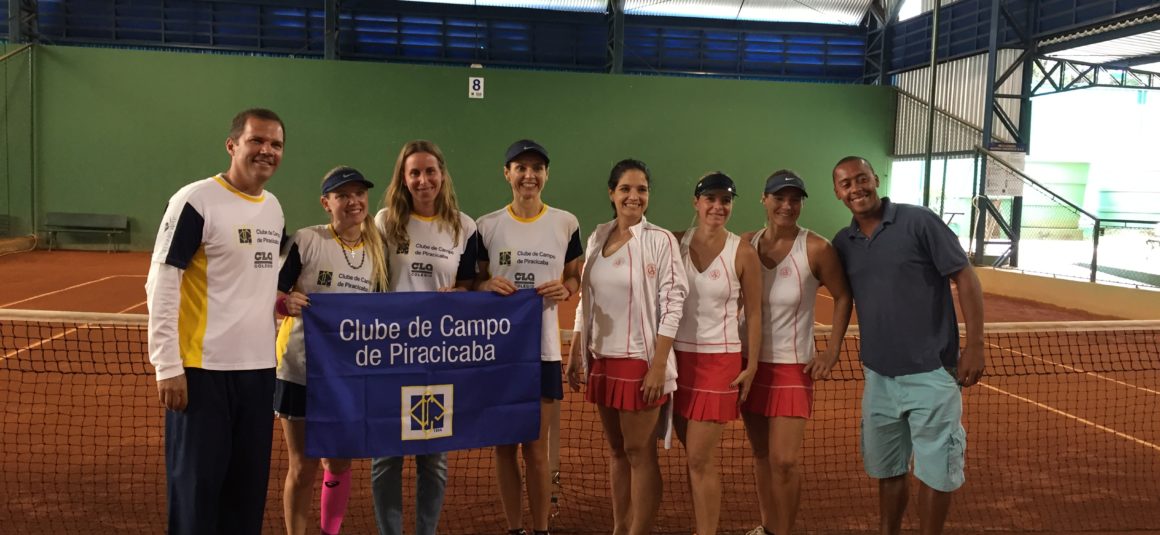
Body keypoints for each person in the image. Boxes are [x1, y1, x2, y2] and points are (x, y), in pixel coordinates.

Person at [144, 108, 286, 534]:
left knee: (245, 496)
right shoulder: (195, 200)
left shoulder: (274, 209)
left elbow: (258, 278)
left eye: (276, 144)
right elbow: (162, 282)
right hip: (202, 373)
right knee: (196, 495)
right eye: (256, 140)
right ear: (232, 145)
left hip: (259, 374)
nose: (266, 150)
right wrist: (167, 366)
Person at [830, 156, 984, 535]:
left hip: (932, 372)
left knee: (936, 471)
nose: (856, 188)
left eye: (862, 179)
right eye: (846, 184)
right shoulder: (843, 243)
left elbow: (965, 276)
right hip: (878, 376)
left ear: (875, 179)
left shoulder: (918, 221)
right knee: (889, 469)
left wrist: (975, 345)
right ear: (837, 193)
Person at [566, 158, 688, 535]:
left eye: (642, 190)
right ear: (612, 193)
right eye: (625, 189)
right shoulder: (597, 237)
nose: (634, 196)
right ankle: (621, 528)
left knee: (640, 454)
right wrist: (577, 350)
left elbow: (674, 302)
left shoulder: (661, 240)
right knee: (618, 452)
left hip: (641, 363)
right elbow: (586, 299)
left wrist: (658, 365)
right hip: (602, 361)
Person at [475, 140, 584, 535]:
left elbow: (574, 275)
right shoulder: (485, 226)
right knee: (504, 448)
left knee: (537, 451)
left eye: (537, 168)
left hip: (543, 352)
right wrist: (486, 285)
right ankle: (514, 529)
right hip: (499, 355)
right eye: (520, 167)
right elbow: (475, 281)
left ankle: (540, 530)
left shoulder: (566, 223)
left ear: (546, 174)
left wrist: (566, 288)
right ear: (507, 173)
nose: (529, 175)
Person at [372, 140, 479, 535]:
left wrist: (460, 294)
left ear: (442, 175)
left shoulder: (464, 227)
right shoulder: (385, 222)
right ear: (403, 179)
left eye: (430, 171)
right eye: (414, 172)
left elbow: (468, 285)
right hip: (390, 355)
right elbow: (371, 280)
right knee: (386, 457)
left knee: (433, 458)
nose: (423, 180)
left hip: (438, 357)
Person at [274, 166, 389, 535]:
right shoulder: (307, 240)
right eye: (342, 195)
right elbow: (272, 291)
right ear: (327, 203)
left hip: (348, 375)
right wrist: (284, 302)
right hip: (300, 370)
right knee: (303, 466)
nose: (353, 201)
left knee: (338, 463)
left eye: (359, 194)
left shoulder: (379, 251)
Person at [739, 170, 853, 535]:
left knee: (784, 461)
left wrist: (832, 350)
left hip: (792, 368)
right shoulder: (744, 244)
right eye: (779, 198)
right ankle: (768, 527)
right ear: (764, 199)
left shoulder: (817, 248)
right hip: (749, 366)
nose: (787, 206)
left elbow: (843, 296)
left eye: (795, 199)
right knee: (761, 455)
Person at [671, 172, 763, 535]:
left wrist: (751, 366)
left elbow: (754, 313)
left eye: (725, 200)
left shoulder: (743, 252)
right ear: (696, 202)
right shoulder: (674, 242)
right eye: (710, 199)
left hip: (719, 363)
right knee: (690, 455)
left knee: (699, 457)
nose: (718, 206)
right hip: (677, 361)